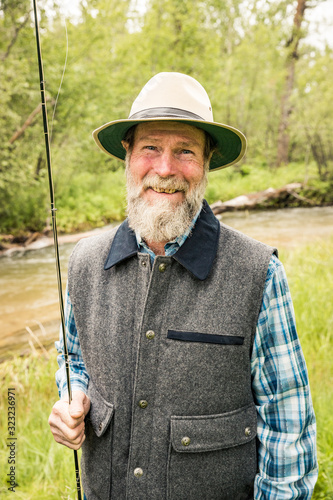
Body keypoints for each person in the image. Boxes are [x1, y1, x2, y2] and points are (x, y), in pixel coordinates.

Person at [49, 72, 318, 500]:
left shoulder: (259, 272)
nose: (165, 168)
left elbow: (288, 426)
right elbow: (72, 355)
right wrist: (73, 394)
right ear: (128, 155)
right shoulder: (83, 261)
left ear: (207, 161)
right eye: (151, 147)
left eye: (185, 151)